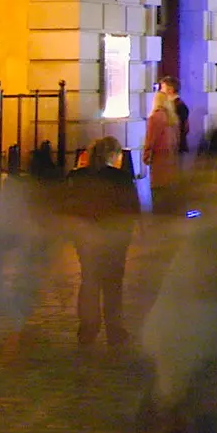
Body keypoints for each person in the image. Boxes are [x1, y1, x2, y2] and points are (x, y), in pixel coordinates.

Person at [65, 136, 141, 347]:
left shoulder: (77, 176)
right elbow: (132, 208)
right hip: (114, 238)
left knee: (89, 280)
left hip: (86, 237)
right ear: (113, 155)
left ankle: (88, 329)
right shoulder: (121, 178)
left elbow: (69, 206)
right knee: (113, 285)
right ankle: (114, 331)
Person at [142, 86, 181, 214]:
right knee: (169, 193)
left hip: (159, 159)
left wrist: (146, 154)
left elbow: (150, 138)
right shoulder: (172, 118)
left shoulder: (155, 117)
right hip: (171, 160)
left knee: (158, 192)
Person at [159, 75, 190, 154]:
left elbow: (183, 128)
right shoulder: (175, 104)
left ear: (170, 89)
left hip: (175, 148)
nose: (160, 91)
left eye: (163, 88)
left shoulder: (178, 105)